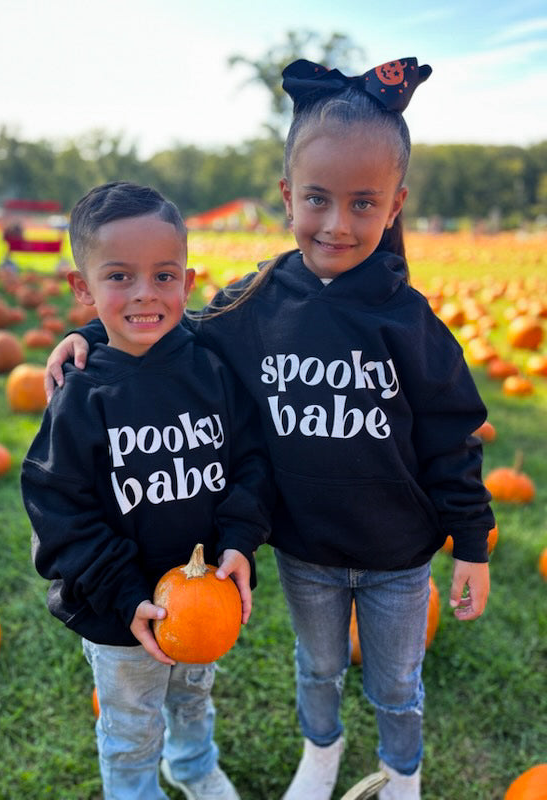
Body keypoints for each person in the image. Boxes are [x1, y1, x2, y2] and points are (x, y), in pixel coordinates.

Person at [44, 59, 495, 800]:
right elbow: (163, 326)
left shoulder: (408, 321)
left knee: (399, 682)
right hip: (305, 551)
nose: (337, 223)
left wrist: (471, 544)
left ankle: (403, 774)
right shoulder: (253, 300)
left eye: (363, 204)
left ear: (395, 205)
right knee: (316, 668)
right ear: (289, 194)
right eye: (317, 198)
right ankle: (322, 754)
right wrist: (90, 338)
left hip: (399, 555)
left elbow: (453, 439)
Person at [22, 181, 272, 800]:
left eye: (163, 276)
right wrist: (126, 596)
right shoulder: (82, 395)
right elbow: (61, 516)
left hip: (205, 597)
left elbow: (251, 462)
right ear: (84, 289)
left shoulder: (212, 367)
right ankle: (136, 792)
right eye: (119, 276)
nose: (144, 294)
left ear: (187, 283)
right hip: (120, 614)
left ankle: (192, 766)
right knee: (131, 727)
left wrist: (240, 541)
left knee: (193, 698)